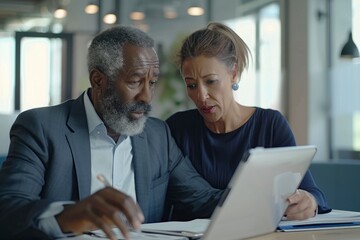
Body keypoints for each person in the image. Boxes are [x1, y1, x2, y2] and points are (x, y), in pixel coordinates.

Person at [0, 26, 223, 240]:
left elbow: (202, 200)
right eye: (135, 81)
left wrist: (255, 196)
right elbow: (8, 210)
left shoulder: (158, 134)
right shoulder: (41, 127)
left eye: (152, 82)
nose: (146, 96)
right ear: (98, 80)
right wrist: (71, 215)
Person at [166, 22, 331, 221]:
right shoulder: (177, 128)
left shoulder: (269, 125)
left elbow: (313, 192)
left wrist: (309, 201)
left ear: (233, 74)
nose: (201, 96)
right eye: (191, 85)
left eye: (211, 81)